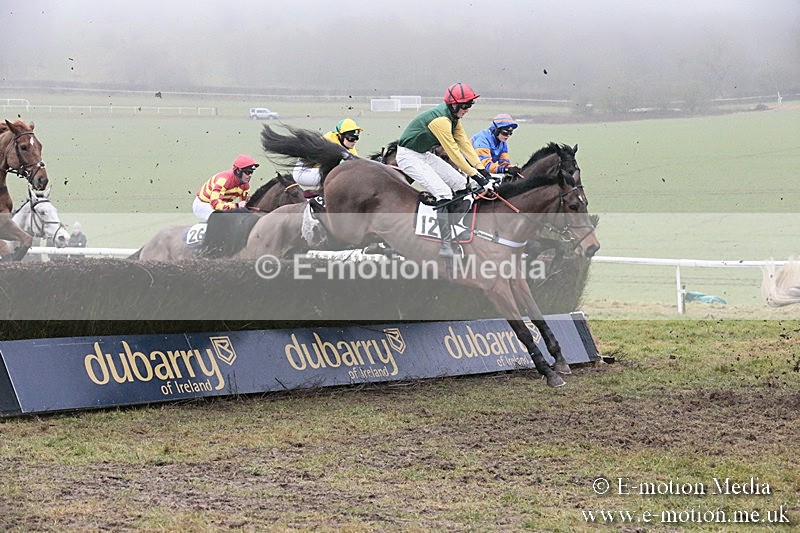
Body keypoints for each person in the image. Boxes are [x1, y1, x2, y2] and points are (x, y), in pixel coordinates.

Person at [395, 82, 493, 257]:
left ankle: (453, 228)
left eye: (470, 104)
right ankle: (445, 246)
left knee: (462, 184)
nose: (468, 108)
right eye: (465, 105)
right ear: (453, 104)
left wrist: (481, 169)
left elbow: (465, 144)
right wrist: (476, 176)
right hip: (407, 155)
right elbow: (454, 153)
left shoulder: (454, 119)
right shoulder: (441, 121)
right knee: (444, 193)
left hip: (423, 154)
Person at [293, 118, 363, 192]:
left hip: (318, 170)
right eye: (351, 138)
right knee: (337, 175)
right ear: (340, 135)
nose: (354, 141)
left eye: (357, 138)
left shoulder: (349, 146)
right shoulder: (329, 141)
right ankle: (319, 197)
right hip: (303, 172)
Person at [193, 155, 259, 222]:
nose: (250, 175)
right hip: (204, 204)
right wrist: (237, 205)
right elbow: (215, 204)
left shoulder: (246, 185)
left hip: (219, 205)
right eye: (247, 172)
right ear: (238, 171)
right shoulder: (223, 180)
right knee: (222, 220)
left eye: (251, 172)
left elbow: (244, 205)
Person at [471, 113, 521, 177]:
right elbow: (484, 166)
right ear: (496, 130)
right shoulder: (482, 140)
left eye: (510, 133)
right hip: (466, 169)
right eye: (505, 133)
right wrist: (506, 170)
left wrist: (514, 169)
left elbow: (504, 163)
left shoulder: (502, 143)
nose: (507, 136)